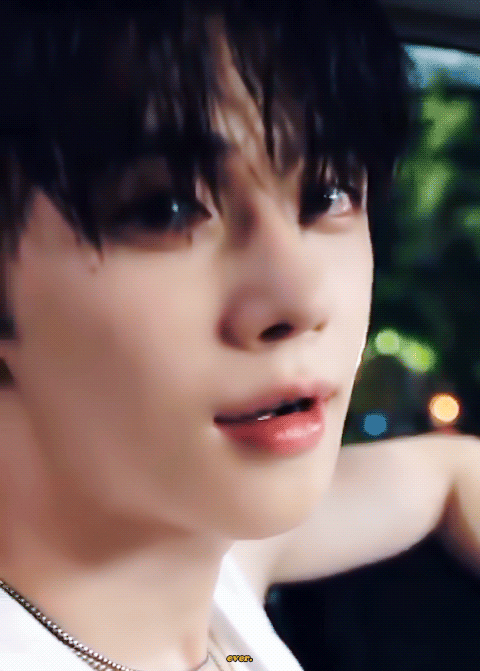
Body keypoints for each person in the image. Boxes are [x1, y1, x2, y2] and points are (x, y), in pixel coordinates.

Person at [0, 0, 478, 670]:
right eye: (166, 209)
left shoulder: (204, 567)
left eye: (328, 193)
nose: (299, 298)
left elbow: (444, 470)